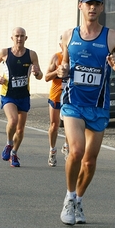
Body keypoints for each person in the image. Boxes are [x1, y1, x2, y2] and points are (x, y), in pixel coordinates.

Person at [57, 0, 115, 225]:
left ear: (102, 8)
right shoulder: (68, 35)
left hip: (99, 106)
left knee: (90, 162)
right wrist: (62, 70)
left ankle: (79, 201)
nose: (92, 8)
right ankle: (69, 198)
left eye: (97, 4)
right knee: (77, 151)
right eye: (88, 3)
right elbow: (64, 65)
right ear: (80, 5)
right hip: (73, 103)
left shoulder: (111, 37)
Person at [0, 27, 43, 168]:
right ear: (12, 38)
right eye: (17, 36)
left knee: (20, 130)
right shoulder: (5, 53)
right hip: (8, 94)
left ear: (26, 38)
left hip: (23, 95)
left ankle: (14, 153)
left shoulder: (31, 55)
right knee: (13, 120)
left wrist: (37, 73)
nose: (19, 38)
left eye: (22, 36)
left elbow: (40, 76)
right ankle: (9, 144)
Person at [44, 35, 69, 167]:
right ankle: (52, 150)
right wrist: (56, 71)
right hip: (56, 95)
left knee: (69, 126)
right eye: (64, 45)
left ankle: (66, 146)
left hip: (70, 96)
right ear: (60, 46)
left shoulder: (76, 58)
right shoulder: (56, 57)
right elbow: (46, 77)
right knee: (54, 125)